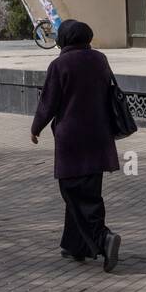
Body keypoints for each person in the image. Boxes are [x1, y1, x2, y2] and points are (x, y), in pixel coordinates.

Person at [30, 18, 121, 273]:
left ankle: (104, 238)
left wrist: (35, 128)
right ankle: (74, 246)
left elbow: (49, 102)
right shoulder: (99, 59)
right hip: (100, 138)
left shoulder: (60, 64)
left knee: (76, 194)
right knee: (88, 190)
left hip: (72, 141)